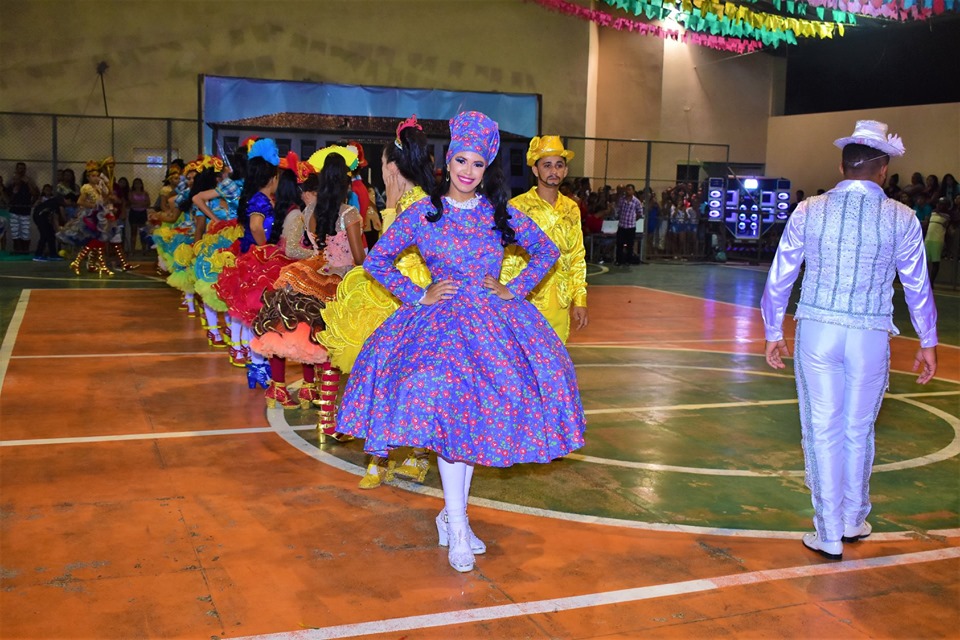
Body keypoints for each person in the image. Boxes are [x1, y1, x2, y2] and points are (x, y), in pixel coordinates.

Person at [337, 111, 586, 573]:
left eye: (477, 164)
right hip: (438, 330)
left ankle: (453, 516)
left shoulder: (498, 211)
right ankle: (456, 524)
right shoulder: (423, 213)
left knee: (469, 426)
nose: (468, 171)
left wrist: (516, 288)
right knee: (453, 423)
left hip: (492, 326)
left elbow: (548, 251)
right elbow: (378, 261)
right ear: (448, 162)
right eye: (461, 161)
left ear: (486, 167)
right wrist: (419, 294)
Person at [761, 120, 938, 561]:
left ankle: (829, 531)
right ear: (883, 171)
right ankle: (854, 517)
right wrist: (928, 339)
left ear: (842, 166)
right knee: (858, 429)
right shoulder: (902, 217)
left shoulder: (809, 210)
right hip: (870, 333)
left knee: (822, 428)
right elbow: (917, 285)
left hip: (818, 328)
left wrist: (771, 329)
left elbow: (781, 274)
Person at [500, 135, 588, 343]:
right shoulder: (517, 207)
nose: (553, 171)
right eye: (547, 165)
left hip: (561, 301)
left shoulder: (571, 208)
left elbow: (576, 255)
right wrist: (506, 298)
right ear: (535, 169)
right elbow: (508, 258)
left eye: (559, 165)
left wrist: (580, 299)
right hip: (527, 300)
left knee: (556, 364)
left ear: (565, 171)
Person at [6, 162, 39, 254]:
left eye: (23, 168)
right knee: (15, 229)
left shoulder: (29, 181)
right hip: (14, 208)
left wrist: (28, 183)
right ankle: (17, 249)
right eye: (19, 168)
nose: (21, 170)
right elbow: (7, 196)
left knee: (25, 230)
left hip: (25, 208)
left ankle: (25, 249)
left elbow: (35, 194)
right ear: (16, 169)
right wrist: (15, 187)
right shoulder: (11, 181)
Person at [31, 184, 62, 261]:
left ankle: (53, 254)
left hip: (45, 218)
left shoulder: (53, 201)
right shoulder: (56, 203)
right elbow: (55, 217)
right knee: (44, 235)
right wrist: (58, 229)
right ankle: (38, 254)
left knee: (51, 234)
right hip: (40, 217)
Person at [614, 183, 642, 265]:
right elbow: (618, 210)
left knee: (630, 245)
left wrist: (634, 219)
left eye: (629, 190)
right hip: (622, 225)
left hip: (631, 226)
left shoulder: (636, 201)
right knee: (619, 244)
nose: (627, 191)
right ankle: (619, 260)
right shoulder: (621, 200)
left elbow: (640, 213)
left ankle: (628, 261)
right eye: (627, 189)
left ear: (633, 191)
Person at [925, 197, 951, 284]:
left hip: (937, 240)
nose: (939, 206)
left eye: (942, 204)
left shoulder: (947, 216)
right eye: (939, 204)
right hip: (928, 239)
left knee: (935, 262)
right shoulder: (933, 213)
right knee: (924, 261)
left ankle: (931, 282)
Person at [127, 178, 151, 254]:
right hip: (134, 213)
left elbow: (148, 203)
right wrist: (141, 203)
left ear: (141, 184)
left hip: (142, 213)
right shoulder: (131, 193)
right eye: (135, 183)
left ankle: (144, 249)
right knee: (133, 232)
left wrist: (138, 204)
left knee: (142, 232)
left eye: (139, 183)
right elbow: (131, 201)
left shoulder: (145, 193)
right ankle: (132, 250)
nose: (137, 185)